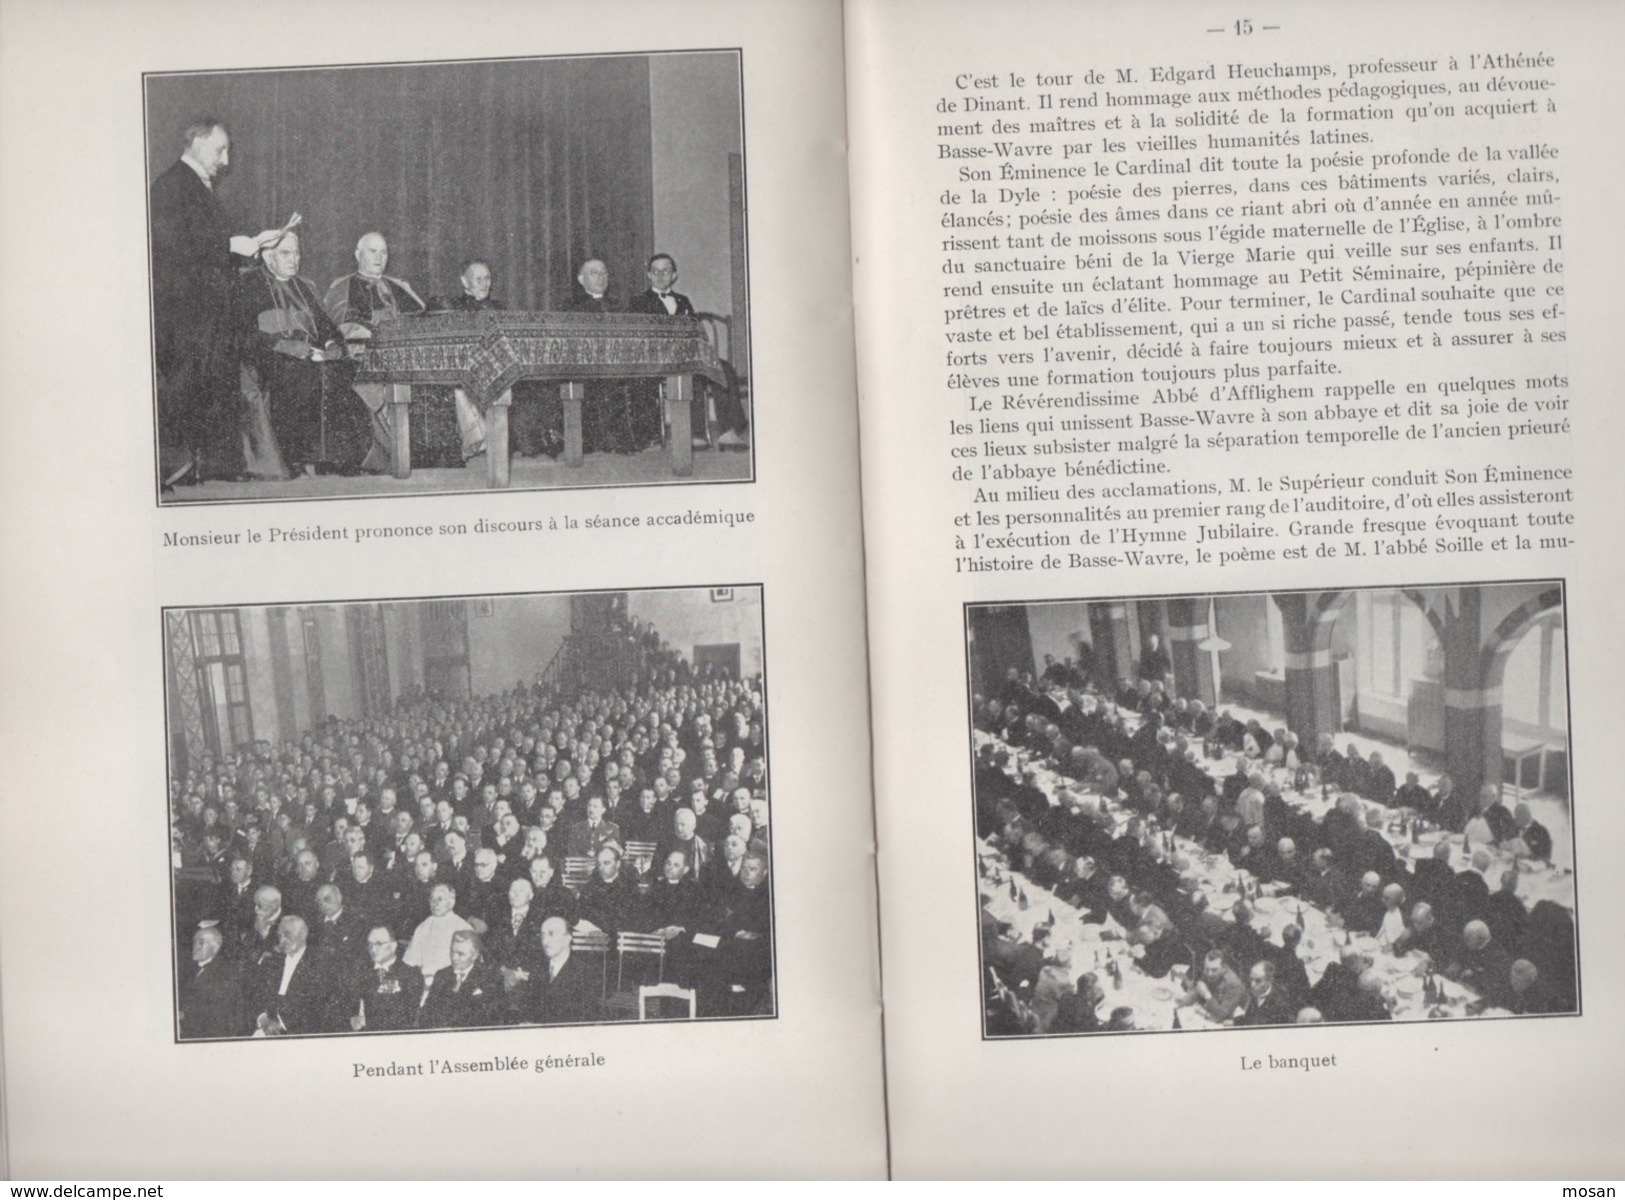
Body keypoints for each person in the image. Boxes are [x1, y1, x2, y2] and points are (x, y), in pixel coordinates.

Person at [149, 116, 286, 487]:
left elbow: (207, 243)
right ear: (196, 142)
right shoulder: (171, 185)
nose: (225, 160)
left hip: (210, 311)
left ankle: (215, 466)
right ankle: (181, 468)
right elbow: (170, 245)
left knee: (215, 385)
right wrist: (229, 245)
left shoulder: (197, 187)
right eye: (219, 149)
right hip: (186, 313)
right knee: (188, 387)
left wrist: (254, 244)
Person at [238, 230, 369, 476]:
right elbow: (241, 333)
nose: (293, 259)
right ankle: (294, 456)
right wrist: (282, 346)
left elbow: (327, 326)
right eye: (285, 253)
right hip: (269, 355)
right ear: (267, 256)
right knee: (297, 373)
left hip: (309, 354)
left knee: (343, 370)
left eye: (296, 253)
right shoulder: (249, 285)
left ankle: (335, 457)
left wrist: (331, 345)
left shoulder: (303, 287)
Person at [324, 232, 428, 472]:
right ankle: (382, 457)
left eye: (383, 252)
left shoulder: (399, 286)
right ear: (358, 255)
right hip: (360, 353)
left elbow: (419, 318)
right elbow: (338, 325)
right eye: (373, 251)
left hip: (401, 353)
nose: (379, 257)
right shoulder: (343, 287)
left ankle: (423, 454)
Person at [627, 253, 748, 449]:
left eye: (665, 271)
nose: (660, 275)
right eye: (655, 271)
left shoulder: (683, 300)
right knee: (691, 373)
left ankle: (727, 432)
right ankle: (695, 435)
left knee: (723, 368)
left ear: (674, 275)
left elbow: (695, 332)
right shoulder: (638, 302)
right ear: (649, 275)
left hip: (687, 356)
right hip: (658, 361)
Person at [253, 915, 331, 1035]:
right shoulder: (271, 962)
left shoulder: (321, 964)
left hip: (301, 1032)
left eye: (287, 934)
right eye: (279, 936)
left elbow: (320, 1006)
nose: (282, 941)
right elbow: (255, 996)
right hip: (266, 1027)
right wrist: (263, 1019)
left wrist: (282, 1024)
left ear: (303, 934)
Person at [418, 930, 503, 1029]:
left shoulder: (490, 976)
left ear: (474, 955)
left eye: (460, 954)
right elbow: (427, 1011)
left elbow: (491, 1016)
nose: (454, 957)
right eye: (452, 951)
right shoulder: (442, 975)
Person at [179, 925, 247, 1039]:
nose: (195, 947)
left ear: (215, 948)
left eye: (201, 943)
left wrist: (183, 1017)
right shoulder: (189, 969)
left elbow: (219, 1016)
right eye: (194, 942)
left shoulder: (225, 974)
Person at [348, 926, 422, 1032]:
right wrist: (353, 1018)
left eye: (379, 944)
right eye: (370, 944)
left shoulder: (410, 974)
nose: (373, 949)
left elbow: (410, 1015)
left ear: (393, 946)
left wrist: (369, 1020)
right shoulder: (361, 973)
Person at [529, 915, 599, 1025]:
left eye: (552, 934)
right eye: (543, 935)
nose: (545, 941)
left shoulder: (584, 974)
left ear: (567, 939)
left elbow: (585, 1019)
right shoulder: (537, 969)